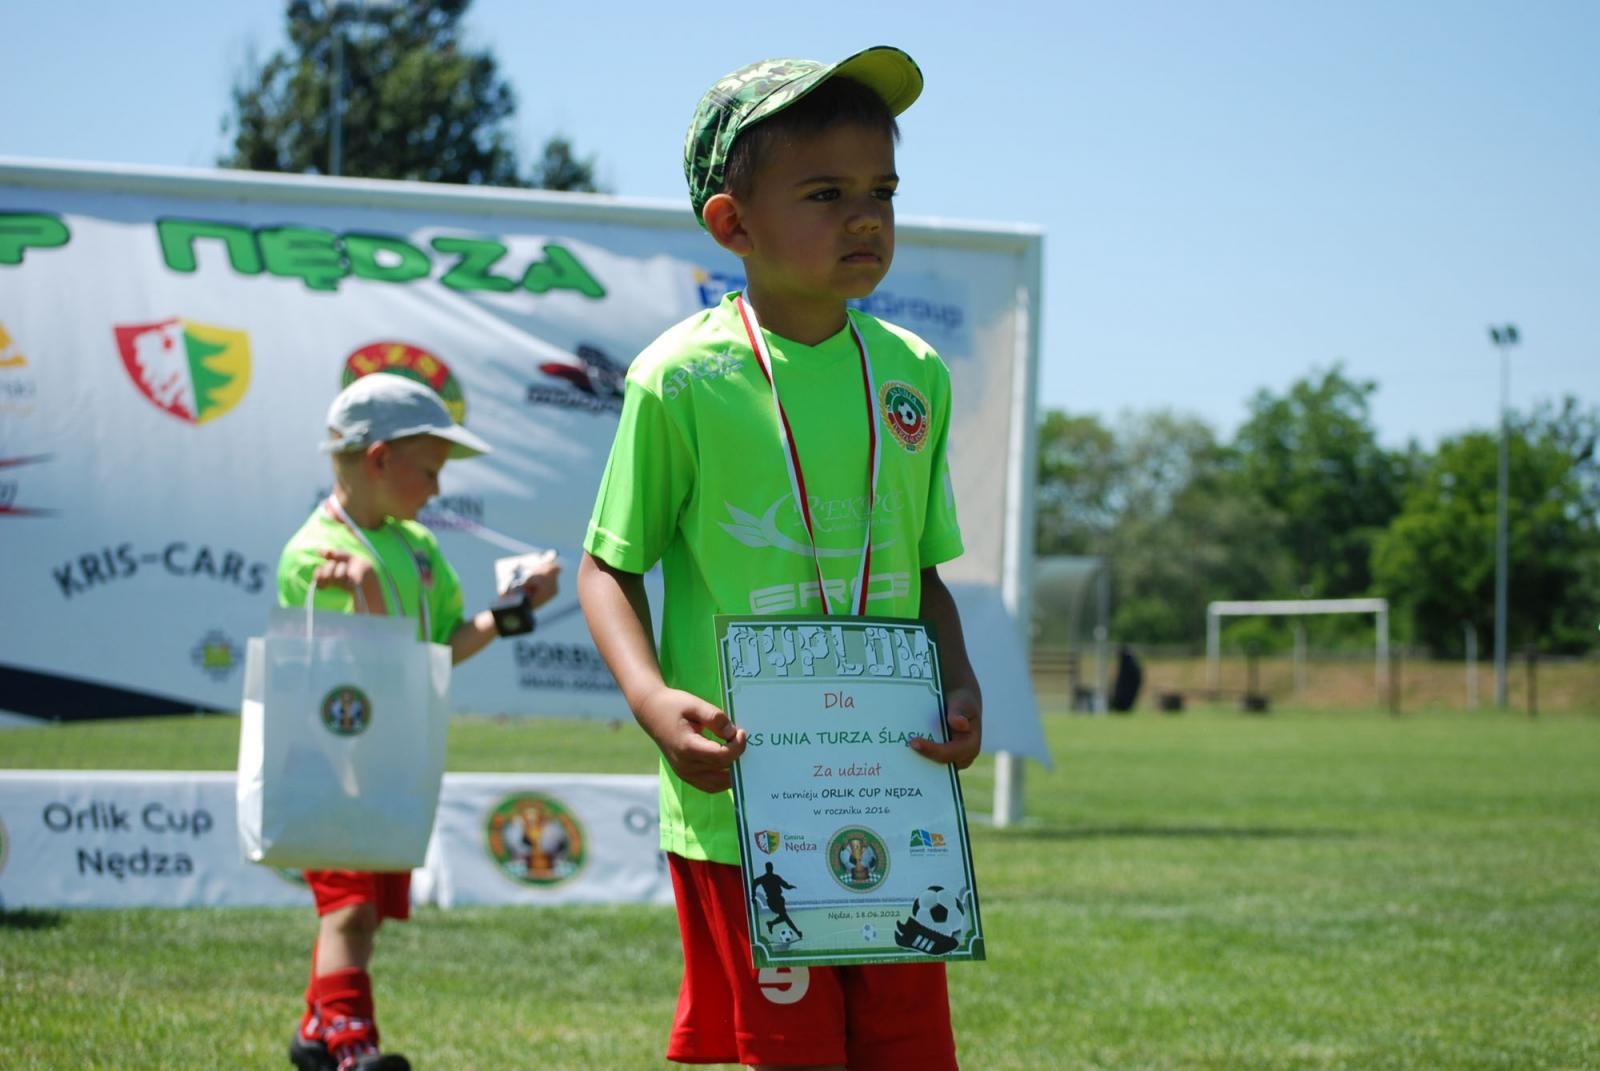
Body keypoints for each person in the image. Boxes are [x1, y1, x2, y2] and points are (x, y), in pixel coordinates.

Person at [578, 46, 982, 1070]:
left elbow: (925, 574)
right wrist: (651, 700)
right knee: (787, 1055)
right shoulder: (680, 379)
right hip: (748, 804)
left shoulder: (914, 377)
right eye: (826, 192)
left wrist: (960, 678)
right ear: (732, 222)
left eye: (881, 191)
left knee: (905, 1055)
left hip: (894, 791)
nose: (865, 217)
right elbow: (607, 568)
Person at [278, 372, 560, 1071]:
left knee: (366, 910)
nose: (437, 488)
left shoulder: (416, 547)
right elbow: (356, 677)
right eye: (430, 469)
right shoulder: (316, 555)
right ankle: (350, 1045)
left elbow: (437, 649)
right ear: (379, 459)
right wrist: (368, 591)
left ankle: (315, 1032)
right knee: (345, 906)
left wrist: (514, 609)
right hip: (330, 761)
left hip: (394, 759)